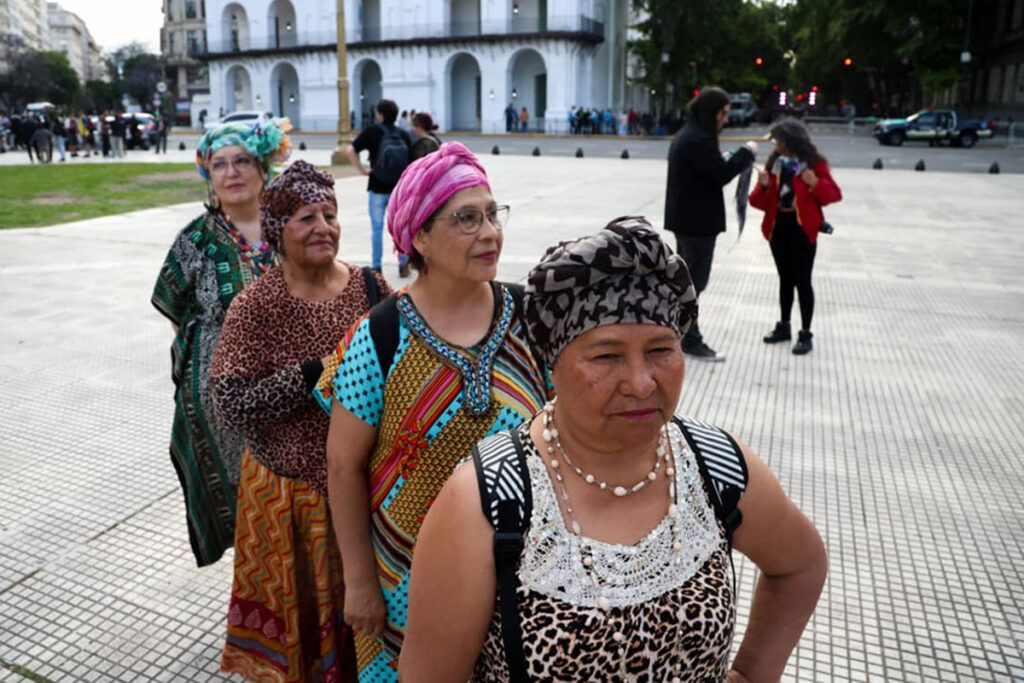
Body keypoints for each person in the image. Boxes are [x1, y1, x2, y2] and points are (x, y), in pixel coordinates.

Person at [400, 218, 828, 681]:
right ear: (552, 364)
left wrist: (751, 674)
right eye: (607, 356)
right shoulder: (487, 500)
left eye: (662, 350)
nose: (642, 383)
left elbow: (800, 564)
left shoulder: (715, 465)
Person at [321, 142, 548, 683]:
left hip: (524, 572)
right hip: (404, 578)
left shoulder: (532, 319)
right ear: (419, 236)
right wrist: (359, 580)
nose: (490, 232)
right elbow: (342, 466)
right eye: (467, 219)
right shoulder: (380, 334)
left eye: (493, 214)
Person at [210, 160, 391, 683]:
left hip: (364, 489)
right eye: (306, 218)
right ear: (277, 231)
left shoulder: (371, 288)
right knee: (303, 634)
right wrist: (312, 374)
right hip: (290, 502)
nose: (323, 228)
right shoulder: (256, 306)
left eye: (330, 215)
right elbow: (232, 403)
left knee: (366, 618)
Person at [150, 118, 292, 568]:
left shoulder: (290, 228)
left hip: (290, 390)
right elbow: (174, 311)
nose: (231, 173)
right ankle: (257, 598)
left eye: (241, 162)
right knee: (243, 506)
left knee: (289, 500)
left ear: (263, 167)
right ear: (208, 175)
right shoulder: (195, 238)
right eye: (219, 165)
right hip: (220, 403)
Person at [664, 86, 758, 362]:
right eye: (724, 113)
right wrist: (745, 153)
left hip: (689, 221)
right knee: (693, 284)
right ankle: (689, 340)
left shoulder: (693, 134)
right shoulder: (697, 139)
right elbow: (719, 173)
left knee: (687, 282)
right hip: (696, 224)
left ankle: (678, 335)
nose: (726, 119)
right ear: (712, 112)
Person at [750, 119, 842, 355]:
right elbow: (756, 201)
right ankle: (784, 326)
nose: (775, 144)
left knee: (803, 280)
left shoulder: (813, 164)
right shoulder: (775, 163)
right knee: (784, 278)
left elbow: (834, 195)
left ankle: (805, 332)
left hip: (803, 229)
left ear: (791, 141)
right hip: (778, 227)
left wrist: (814, 183)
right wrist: (764, 187)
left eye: (779, 140)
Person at [345, 99, 413, 278]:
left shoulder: (371, 132)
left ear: (380, 115)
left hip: (376, 186)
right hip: (399, 190)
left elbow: (350, 150)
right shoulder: (404, 134)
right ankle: (404, 263)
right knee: (400, 227)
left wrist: (361, 170)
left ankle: (377, 266)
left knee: (377, 227)